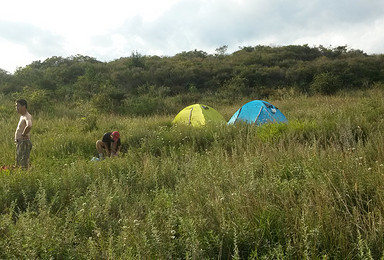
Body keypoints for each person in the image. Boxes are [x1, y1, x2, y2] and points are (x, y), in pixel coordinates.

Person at [15, 99, 33, 170]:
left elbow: (29, 125)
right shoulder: (22, 116)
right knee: (19, 162)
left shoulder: (27, 116)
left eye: (18, 106)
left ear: (24, 106)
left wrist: (23, 134)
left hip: (24, 142)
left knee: (23, 164)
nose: (16, 108)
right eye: (16, 106)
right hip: (20, 143)